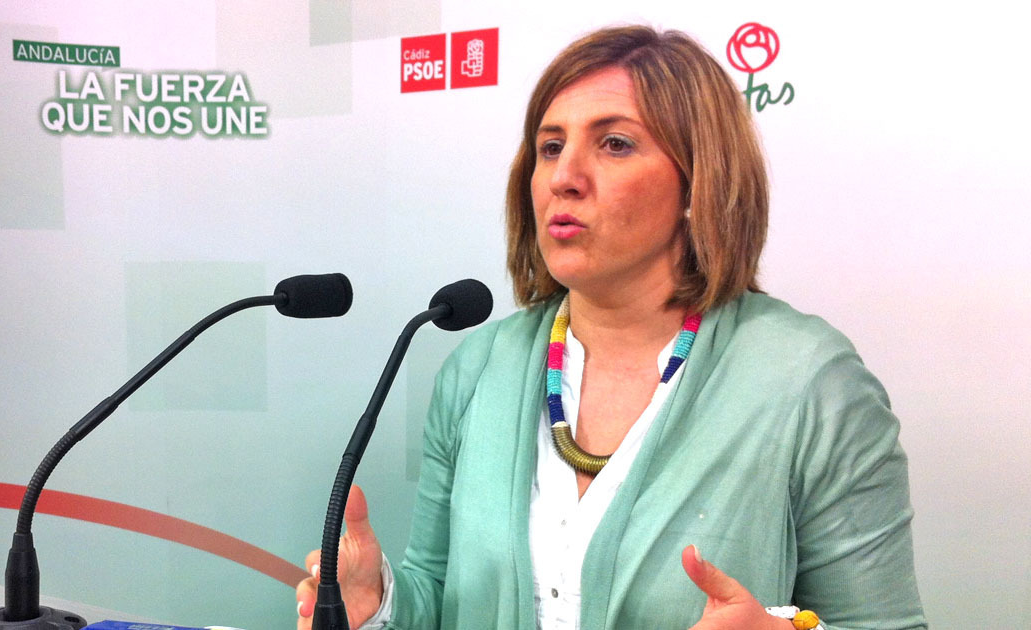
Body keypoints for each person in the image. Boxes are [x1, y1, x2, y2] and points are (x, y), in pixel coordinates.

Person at [296, 25, 926, 630]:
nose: (563, 178)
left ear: (697, 182)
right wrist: (379, 604)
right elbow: (440, 597)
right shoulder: (480, 366)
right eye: (550, 147)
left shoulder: (810, 382)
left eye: (615, 144)